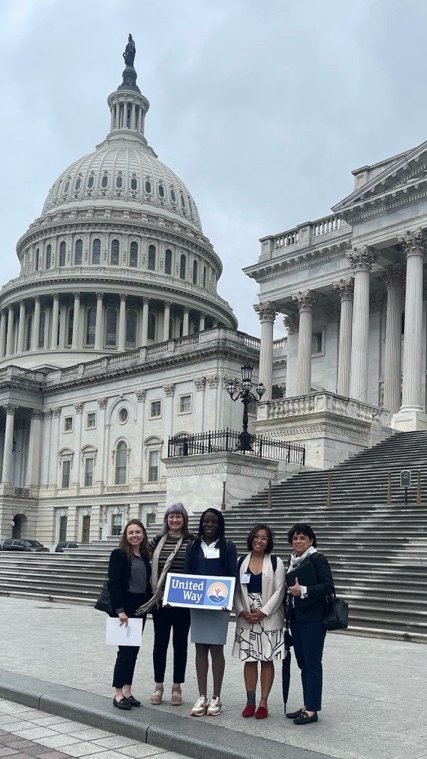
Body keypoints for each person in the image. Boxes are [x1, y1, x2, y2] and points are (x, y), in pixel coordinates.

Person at [185, 508, 237, 717]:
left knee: (216, 650)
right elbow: (188, 573)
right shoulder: (193, 545)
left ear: (220, 524)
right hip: (198, 604)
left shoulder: (228, 546)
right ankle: (201, 696)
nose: (209, 525)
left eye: (214, 522)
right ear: (201, 523)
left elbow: (232, 573)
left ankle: (216, 696)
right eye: (206, 521)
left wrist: (230, 599)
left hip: (218, 603)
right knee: (199, 650)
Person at [233, 524, 286, 719]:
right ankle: (250, 701)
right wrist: (241, 611)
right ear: (251, 538)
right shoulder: (241, 561)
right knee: (249, 659)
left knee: (266, 659)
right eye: (256, 537)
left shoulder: (275, 562)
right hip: (247, 616)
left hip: (268, 616)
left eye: (264, 538)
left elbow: (280, 590)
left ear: (268, 541)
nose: (259, 541)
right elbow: (236, 590)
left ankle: (263, 702)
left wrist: (263, 612)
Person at [285, 523, 334, 725]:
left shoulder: (317, 558)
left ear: (311, 540)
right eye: (295, 538)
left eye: (303, 538)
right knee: (303, 663)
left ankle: (312, 710)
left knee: (312, 664)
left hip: (314, 620)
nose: (298, 541)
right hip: (297, 618)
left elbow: (328, 586)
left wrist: (303, 590)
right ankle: (308, 704)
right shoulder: (293, 560)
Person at [148, 502, 193, 706]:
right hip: (160, 601)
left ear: (184, 520)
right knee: (160, 645)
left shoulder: (192, 541)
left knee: (180, 644)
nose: (175, 520)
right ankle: (158, 685)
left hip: (182, 601)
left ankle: (177, 686)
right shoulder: (157, 540)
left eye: (178, 516)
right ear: (166, 519)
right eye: (171, 516)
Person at [108, 519, 151, 710]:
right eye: (131, 532)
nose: (134, 535)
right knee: (124, 652)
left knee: (134, 651)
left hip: (139, 607)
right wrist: (120, 610)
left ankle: (128, 690)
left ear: (143, 535)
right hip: (124, 609)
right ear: (125, 535)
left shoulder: (144, 555)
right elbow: (114, 583)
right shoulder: (119, 554)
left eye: (138, 532)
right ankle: (117, 693)